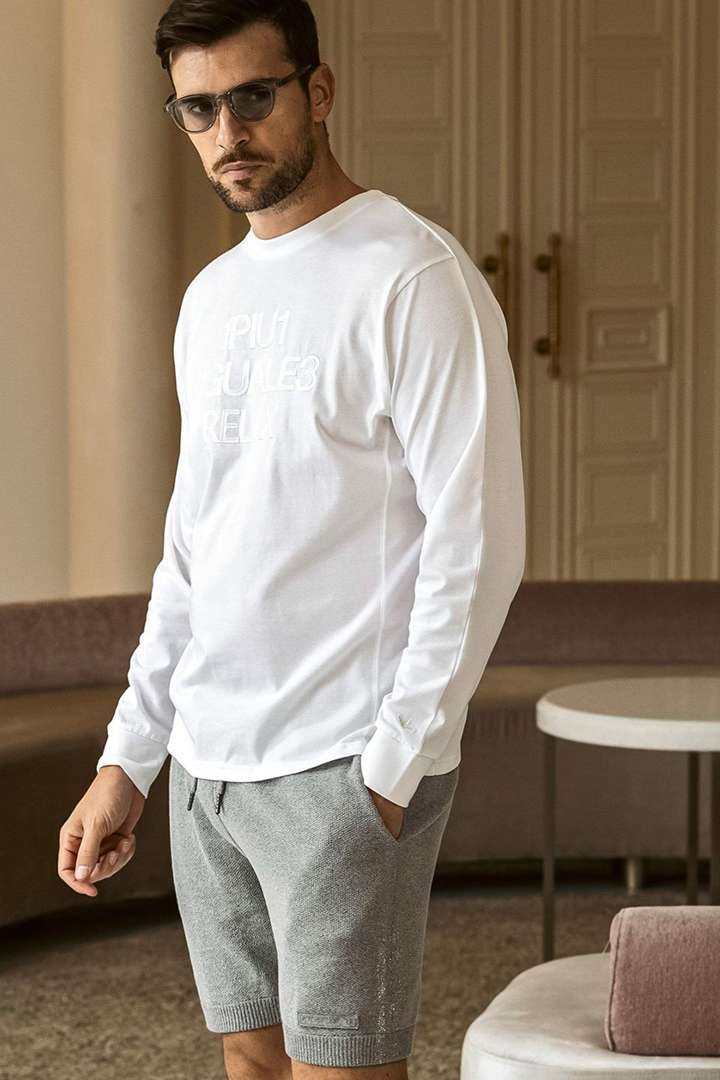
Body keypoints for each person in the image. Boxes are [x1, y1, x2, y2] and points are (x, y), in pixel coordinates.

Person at [57, 2, 526, 1077]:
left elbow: (479, 545)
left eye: (253, 97)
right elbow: (194, 548)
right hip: (206, 770)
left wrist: (393, 770)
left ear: (317, 91)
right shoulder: (211, 299)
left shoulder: (415, 278)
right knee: (252, 1062)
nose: (228, 133)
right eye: (197, 108)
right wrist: (132, 756)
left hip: (341, 763)